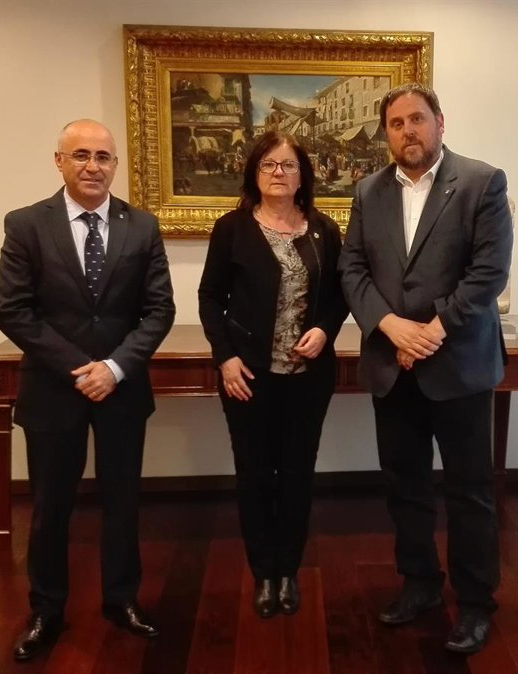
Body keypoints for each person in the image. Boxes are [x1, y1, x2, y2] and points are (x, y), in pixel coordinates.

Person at [338, 83, 513, 654]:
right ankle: (419, 585)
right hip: (393, 365)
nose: (407, 131)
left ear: (440, 121)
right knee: (405, 486)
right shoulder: (368, 191)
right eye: (396, 123)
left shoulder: (482, 182)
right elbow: (352, 270)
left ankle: (476, 602)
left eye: (417, 118)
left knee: (470, 491)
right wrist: (390, 326)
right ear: (386, 133)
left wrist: (433, 330)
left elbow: (488, 272)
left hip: (458, 363)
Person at [0, 119, 176, 662]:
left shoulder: (141, 226)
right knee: (51, 507)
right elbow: (12, 310)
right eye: (81, 155)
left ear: (115, 164)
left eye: (103, 157)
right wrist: (80, 367)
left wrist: (114, 368)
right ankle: (46, 610)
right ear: (59, 161)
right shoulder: (27, 224)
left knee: (123, 502)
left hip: (121, 388)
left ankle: (122, 600)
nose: (93, 166)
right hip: (55, 389)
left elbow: (159, 310)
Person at [198, 131, 348, 619]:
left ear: (303, 175)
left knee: (298, 474)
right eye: (268, 164)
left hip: (307, 377)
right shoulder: (233, 228)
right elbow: (209, 297)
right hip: (248, 375)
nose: (278, 173)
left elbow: (340, 296)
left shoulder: (324, 230)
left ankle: (289, 571)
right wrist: (224, 357)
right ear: (254, 173)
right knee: (256, 475)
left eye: (288, 165)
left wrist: (325, 330)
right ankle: (263, 572)